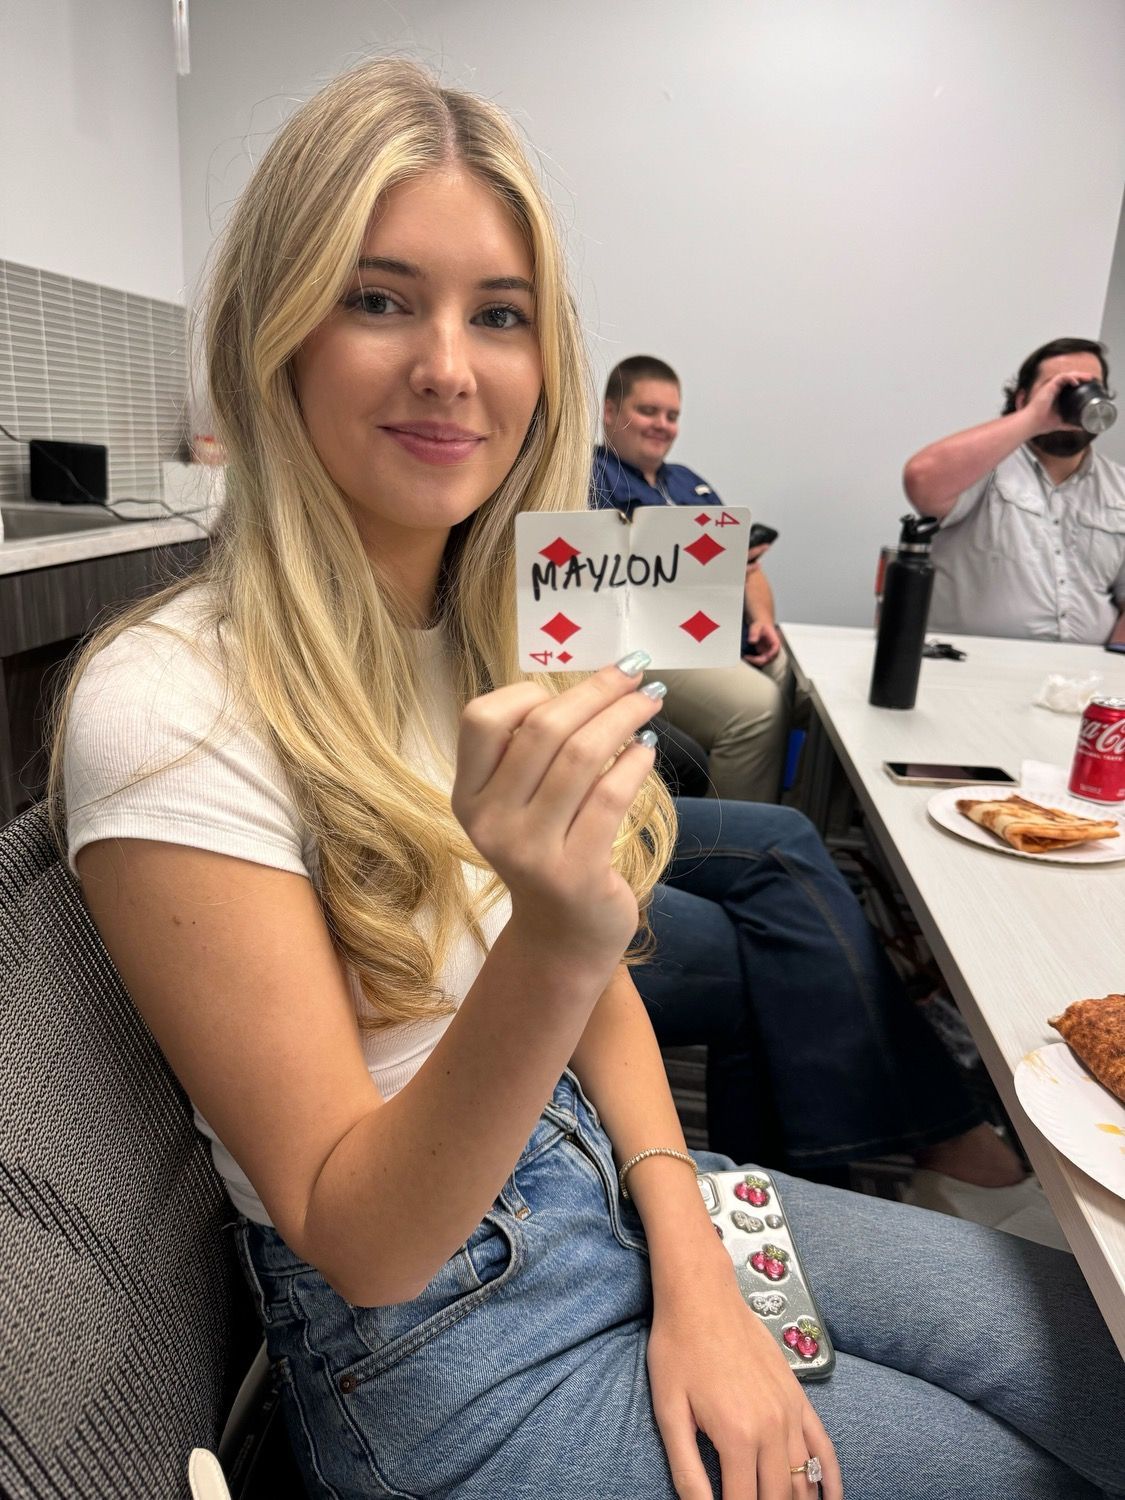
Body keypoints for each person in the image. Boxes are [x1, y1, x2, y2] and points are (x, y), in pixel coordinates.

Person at [55, 60, 1125, 1500]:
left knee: (1096, 1346)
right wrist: (562, 927)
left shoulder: (482, 628)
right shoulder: (167, 705)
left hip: (594, 1180)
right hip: (435, 1329)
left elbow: (598, 991)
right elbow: (360, 1237)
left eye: (496, 314)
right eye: (380, 298)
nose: (450, 364)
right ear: (277, 329)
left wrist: (688, 1251)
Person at [592, 358, 792, 802]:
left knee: (797, 680)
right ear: (610, 412)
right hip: (649, 640)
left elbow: (747, 566)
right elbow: (591, 586)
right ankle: (733, 843)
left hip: (714, 630)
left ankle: (786, 813)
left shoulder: (689, 484)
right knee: (757, 709)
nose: (662, 425)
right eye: (648, 411)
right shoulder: (587, 479)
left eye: (672, 415)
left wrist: (763, 621)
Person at [903, 337, 1125, 643]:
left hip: (1079, 681)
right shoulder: (982, 467)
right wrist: (1034, 419)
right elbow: (921, 479)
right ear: (1023, 400)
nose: (1078, 401)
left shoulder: (1119, 489)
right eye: (1062, 388)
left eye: (1091, 388)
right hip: (972, 671)